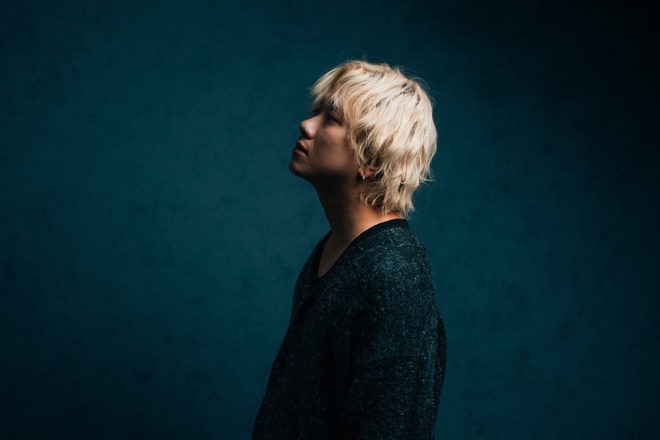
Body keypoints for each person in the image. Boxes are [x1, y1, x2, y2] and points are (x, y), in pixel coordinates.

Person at [252, 60, 447, 439]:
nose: (306, 126)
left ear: (372, 158)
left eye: (331, 119)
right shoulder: (333, 249)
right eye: (316, 113)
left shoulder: (394, 276)